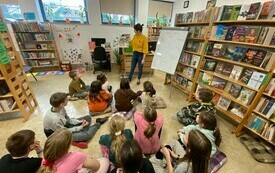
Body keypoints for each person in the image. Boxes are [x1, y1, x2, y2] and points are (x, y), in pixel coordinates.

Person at [43, 92, 108, 149]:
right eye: (66, 100)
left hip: (64, 126)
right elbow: (65, 131)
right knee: (87, 135)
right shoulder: (55, 119)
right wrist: (80, 127)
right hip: (59, 135)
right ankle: (97, 124)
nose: (68, 100)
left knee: (88, 117)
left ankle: (79, 136)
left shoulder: (59, 108)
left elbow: (68, 119)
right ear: (61, 104)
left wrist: (79, 122)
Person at [37, 128, 109, 173]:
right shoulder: (76, 156)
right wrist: (85, 158)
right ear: (67, 146)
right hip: (85, 162)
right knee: (104, 161)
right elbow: (97, 166)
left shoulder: (44, 161)